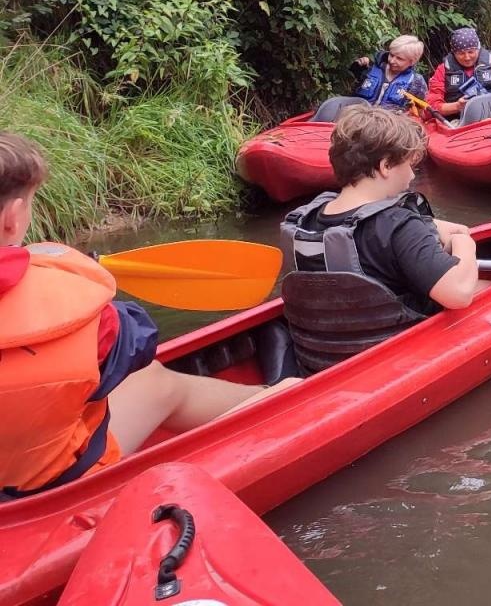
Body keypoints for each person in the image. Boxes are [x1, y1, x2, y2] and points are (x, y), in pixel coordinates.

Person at [0, 132, 293, 499]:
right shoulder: (79, 309)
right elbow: (138, 339)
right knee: (155, 379)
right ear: (13, 218)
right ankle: (278, 398)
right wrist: (76, 280)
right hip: (48, 486)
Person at [280, 107, 482, 371]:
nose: (412, 176)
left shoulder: (306, 220)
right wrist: (465, 243)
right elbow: (458, 293)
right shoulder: (399, 226)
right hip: (388, 362)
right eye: (409, 166)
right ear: (385, 166)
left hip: (319, 359)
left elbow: (364, 226)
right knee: (482, 288)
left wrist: (427, 226)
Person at [312, 34, 428, 121]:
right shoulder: (371, 66)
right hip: (355, 118)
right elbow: (347, 82)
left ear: (412, 61)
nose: (392, 61)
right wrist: (357, 67)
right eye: (391, 55)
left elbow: (420, 113)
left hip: (387, 127)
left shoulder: (416, 82)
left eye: (399, 59)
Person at [426, 27, 491, 124]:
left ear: (478, 49)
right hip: (459, 121)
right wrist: (457, 106)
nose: (467, 57)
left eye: (471, 52)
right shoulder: (443, 70)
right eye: (461, 53)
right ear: (453, 53)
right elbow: (431, 106)